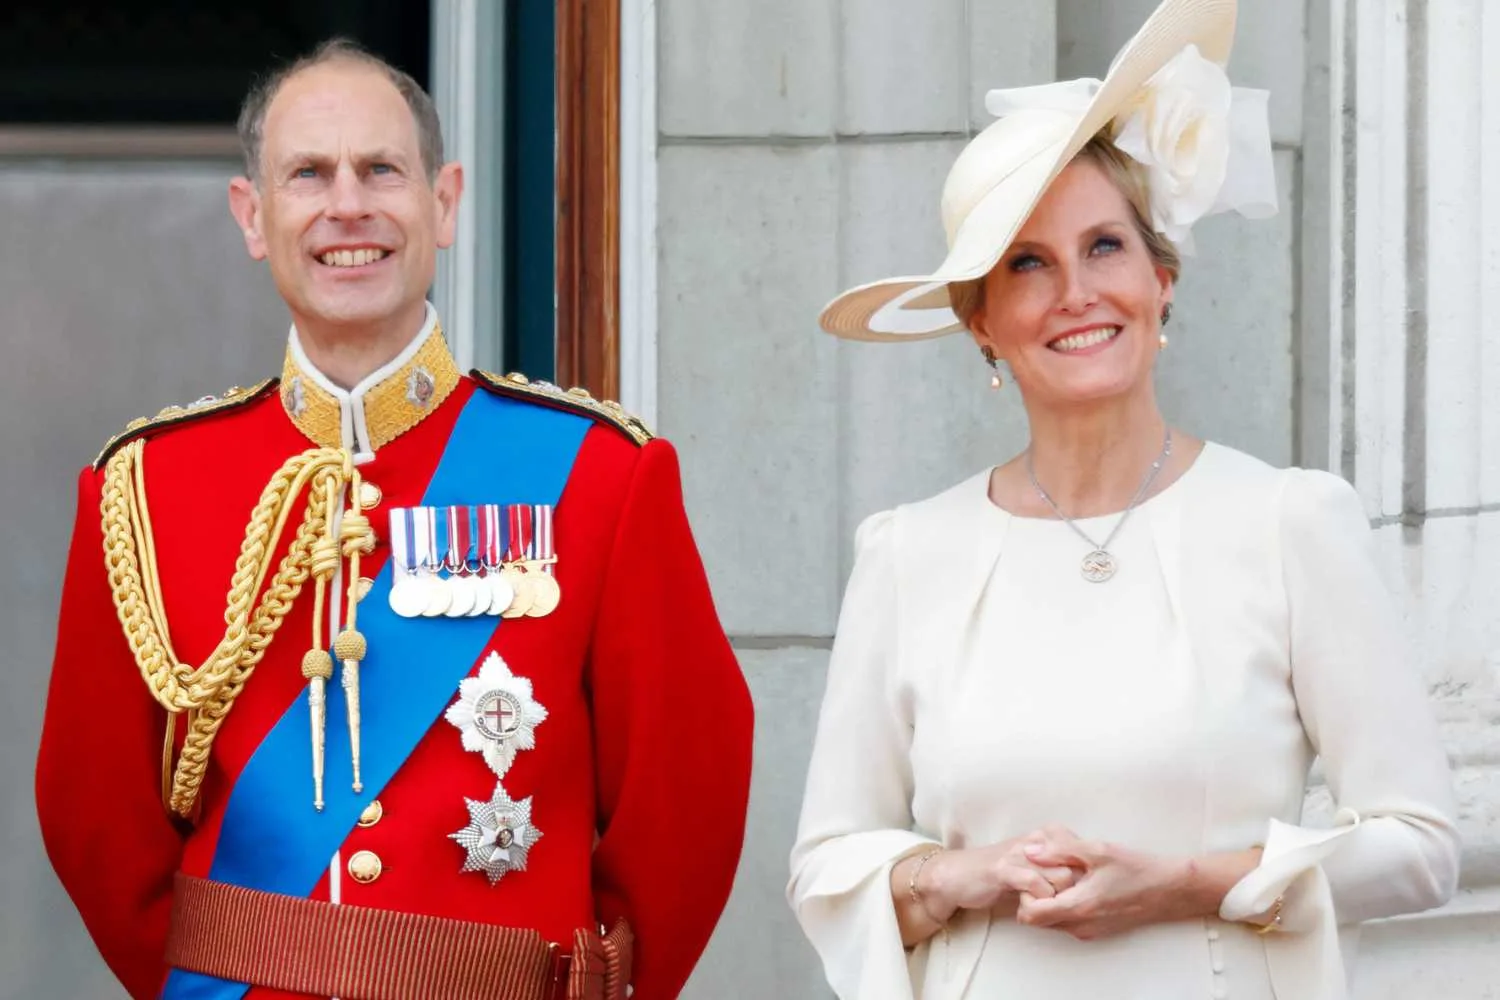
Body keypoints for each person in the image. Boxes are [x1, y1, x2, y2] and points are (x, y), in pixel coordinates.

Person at [36, 39, 753, 1000]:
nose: (348, 206)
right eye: (308, 174)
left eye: (382, 169)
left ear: (444, 202)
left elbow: (685, 802)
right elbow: (94, 816)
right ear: (254, 216)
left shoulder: (597, 474)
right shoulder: (147, 488)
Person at [786, 1, 1459, 998]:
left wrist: (1187, 884)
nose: (1076, 293)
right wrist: (965, 873)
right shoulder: (905, 553)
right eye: (1028, 263)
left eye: (1105, 247)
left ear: (1163, 281)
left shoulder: (1288, 523)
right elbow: (826, 864)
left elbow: (1419, 844)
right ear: (982, 325)